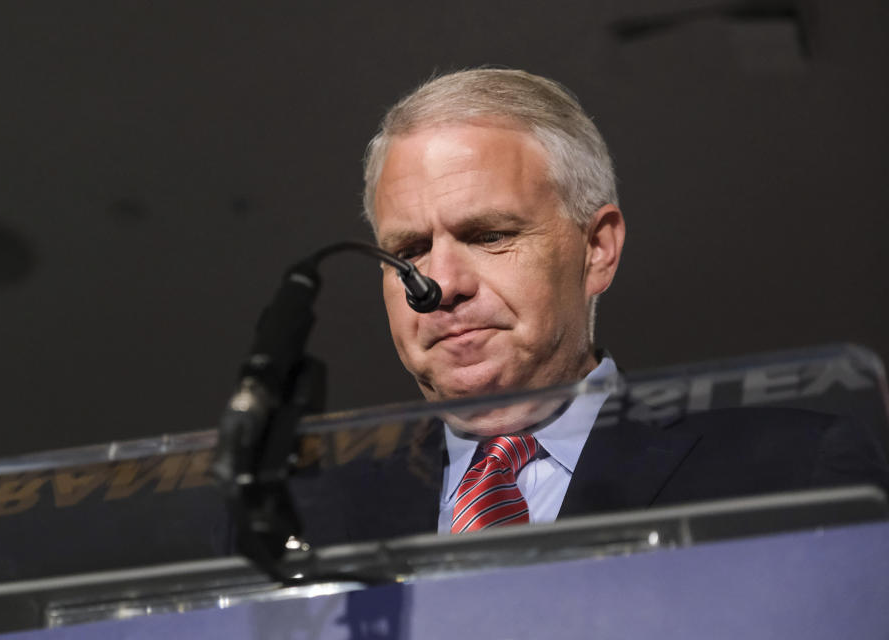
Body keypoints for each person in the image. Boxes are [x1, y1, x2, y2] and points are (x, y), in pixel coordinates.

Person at [333, 68, 889, 540]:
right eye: (409, 251)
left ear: (597, 249)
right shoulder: (312, 519)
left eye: (490, 235)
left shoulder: (792, 471)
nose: (442, 283)